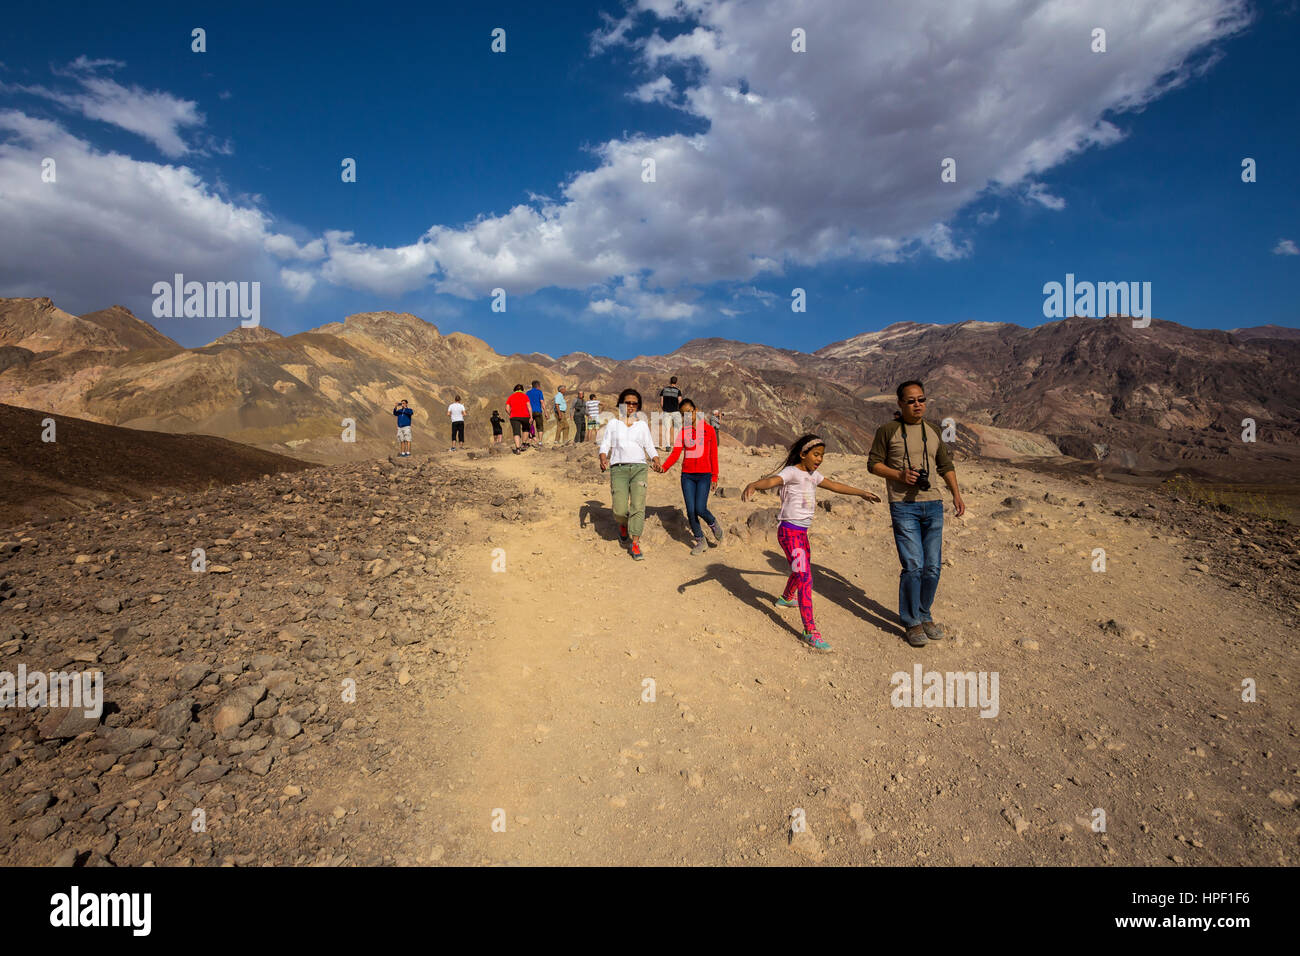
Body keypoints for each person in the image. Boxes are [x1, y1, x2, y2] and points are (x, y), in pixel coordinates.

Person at [742, 434, 880, 651]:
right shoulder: (792, 472)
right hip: (789, 533)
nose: (820, 459)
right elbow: (772, 480)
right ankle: (810, 630)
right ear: (803, 454)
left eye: (822, 455)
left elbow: (834, 486)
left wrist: (861, 493)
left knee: (802, 570)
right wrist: (754, 485)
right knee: (805, 577)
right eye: (816, 454)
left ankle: (786, 597)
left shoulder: (813, 475)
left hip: (802, 533)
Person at [867, 380, 966, 648]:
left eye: (921, 399)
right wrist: (899, 475)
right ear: (900, 403)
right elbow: (873, 464)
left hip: (932, 503)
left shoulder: (933, 430)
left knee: (932, 567)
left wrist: (956, 494)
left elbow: (945, 465)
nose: (917, 404)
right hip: (903, 505)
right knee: (913, 565)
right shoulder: (888, 431)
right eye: (911, 401)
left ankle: (924, 613)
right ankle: (911, 621)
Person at [598, 388, 661, 560]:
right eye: (628, 402)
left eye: (634, 403)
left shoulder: (642, 425)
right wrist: (603, 458)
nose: (631, 406)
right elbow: (605, 445)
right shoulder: (613, 424)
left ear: (638, 406)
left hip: (639, 468)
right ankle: (623, 525)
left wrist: (655, 459)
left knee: (638, 506)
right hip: (618, 469)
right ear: (621, 404)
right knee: (619, 509)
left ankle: (635, 543)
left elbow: (649, 445)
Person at [657, 398, 723, 555]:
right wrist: (664, 467)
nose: (686, 415)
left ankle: (712, 523)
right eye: (682, 414)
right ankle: (700, 541)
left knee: (700, 508)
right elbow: (675, 453)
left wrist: (715, 477)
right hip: (687, 476)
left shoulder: (709, 430)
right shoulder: (684, 433)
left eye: (689, 412)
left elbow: (714, 455)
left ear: (695, 410)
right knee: (691, 511)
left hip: (704, 476)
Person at [506, 384, 533, 454]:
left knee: (516, 432)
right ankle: (523, 444)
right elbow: (529, 407)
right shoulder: (525, 396)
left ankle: (518, 449)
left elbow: (507, 408)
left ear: (514, 390)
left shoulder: (511, 397)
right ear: (522, 390)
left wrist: (510, 414)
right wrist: (531, 417)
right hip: (525, 416)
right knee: (526, 429)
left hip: (514, 417)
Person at [659, 375, 683, 450]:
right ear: (676, 382)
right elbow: (680, 402)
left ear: (670, 381)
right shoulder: (678, 391)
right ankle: (679, 445)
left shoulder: (664, 390)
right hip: (676, 412)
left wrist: (664, 409)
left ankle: (668, 446)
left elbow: (661, 402)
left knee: (667, 429)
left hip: (666, 411)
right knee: (679, 428)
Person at [527, 380, 546, 448]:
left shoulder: (528, 393)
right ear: (538, 386)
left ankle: (530, 440)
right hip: (538, 411)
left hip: (529, 412)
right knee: (540, 427)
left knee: (530, 426)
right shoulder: (539, 392)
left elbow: (526, 403)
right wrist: (545, 412)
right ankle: (540, 442)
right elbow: (542, 402)